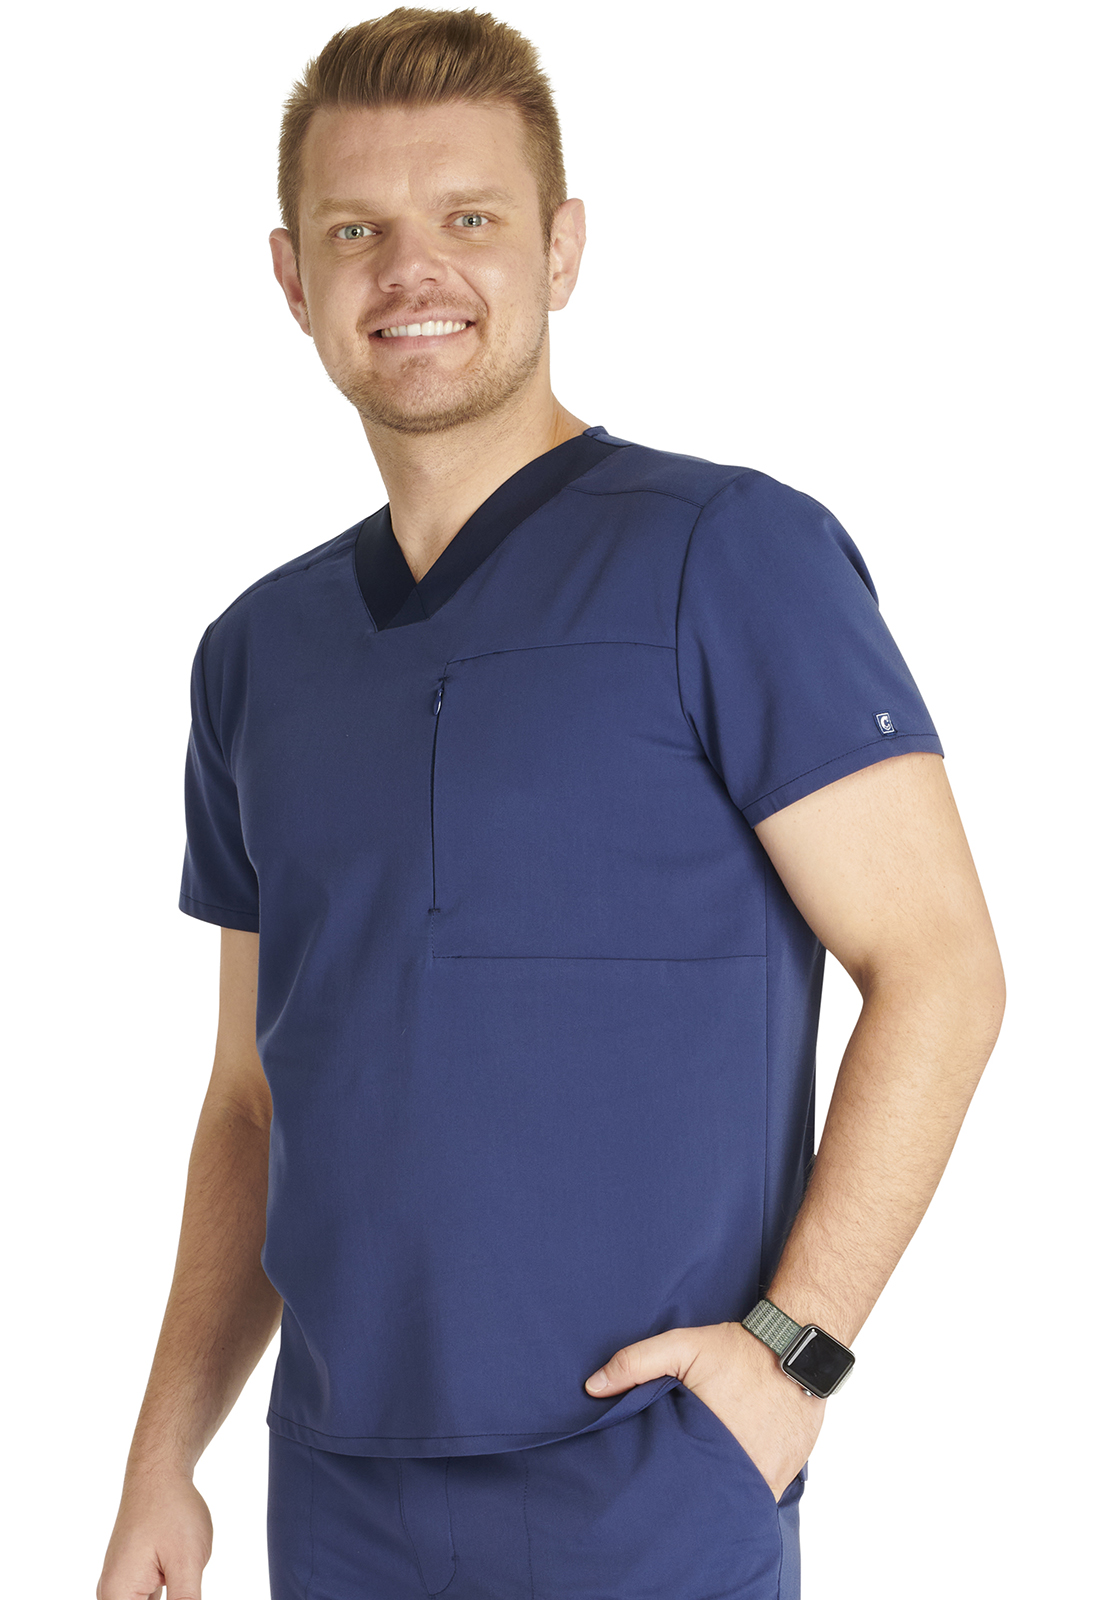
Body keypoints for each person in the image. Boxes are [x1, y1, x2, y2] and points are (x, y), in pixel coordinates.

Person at [96, 9, 1006, 1599]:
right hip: (340, 1495)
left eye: (470, 218)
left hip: (651, 1478)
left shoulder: (732, 556)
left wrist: (791, 1357)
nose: (412, 271)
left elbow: (942, 968)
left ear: (561, 248)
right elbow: (251, 1101)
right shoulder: (255, 655)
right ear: (292, 278)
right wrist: (163, 1459)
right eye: (356, 231)